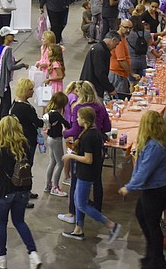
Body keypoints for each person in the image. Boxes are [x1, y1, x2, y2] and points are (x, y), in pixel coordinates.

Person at [0, 116, 42, 269]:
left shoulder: (0, 149)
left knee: (1, 223)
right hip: (23, 189)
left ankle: (1, 257)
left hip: (4, 191)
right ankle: (33, 254)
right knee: (19, 222)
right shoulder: (25, 145)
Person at [61, 106, 122, 243]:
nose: (76, 119)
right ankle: (78, 229)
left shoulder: (88, 136)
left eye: (78, 117)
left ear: (84, 120)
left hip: (86, 174)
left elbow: (88, 159)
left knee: (82, 204)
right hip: (86, 173)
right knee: (78, 201)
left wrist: (71, 157)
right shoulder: (93, 133)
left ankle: (111, 225)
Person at [118, 110, 166, 269]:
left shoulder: (154, 147)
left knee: (152, 223)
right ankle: (152, 253)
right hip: (154, 189)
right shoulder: (152, 143)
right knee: (143, 216)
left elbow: (145, 170)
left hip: (156, 190)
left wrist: (129, 187)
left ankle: (157, 260)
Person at [9, 78, 43, 205]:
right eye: (30, 90)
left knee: (24, 167)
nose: (33, 92)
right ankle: (23, 195)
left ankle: (25, 192)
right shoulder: (25, 108)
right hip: (27, 141)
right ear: (25, 91)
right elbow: (37, 122)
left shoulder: (15, 104)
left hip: (21, 140)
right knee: (25, 168)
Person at [0, 27, 28, 123]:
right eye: (11, 35)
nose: (13, 37)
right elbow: (10, 67)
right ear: (6, 37)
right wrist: (22, 65)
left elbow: (2, 62)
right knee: (6, 104)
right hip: (2, 80)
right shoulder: (8, 49)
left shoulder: (1, 47)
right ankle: (4, 125)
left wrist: (14, 61)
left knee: (3, 101)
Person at [43, 91, 71, 197]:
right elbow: (67, 124)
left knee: (52, 161)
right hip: (56, 139)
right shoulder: (57, 115)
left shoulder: (50, 112)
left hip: (50, 138)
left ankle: (48, 184)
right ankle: (55, 187)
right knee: (60, 163)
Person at [79, 30, 120, 99]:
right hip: (91, 89)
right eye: (116, 44)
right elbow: (100, 73)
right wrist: (110, 88)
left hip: (90, 86)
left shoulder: (99, 49)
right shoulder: (100, 51)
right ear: (113, 40)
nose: (115, 48)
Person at [109, 19, 136, 97]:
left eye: (130, 28)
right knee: (119, 99)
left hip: (122, 74)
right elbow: (121, 60)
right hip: (117, 74)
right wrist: (132, 74)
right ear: (120, 26)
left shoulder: (123, 37)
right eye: (126, 27)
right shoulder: (119, 40)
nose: (128, 30)